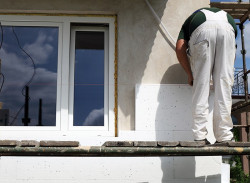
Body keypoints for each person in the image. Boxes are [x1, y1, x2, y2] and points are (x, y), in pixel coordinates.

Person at [175, 7, 237, 143]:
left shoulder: (190, 21)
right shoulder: (226, 18)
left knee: (201, 87)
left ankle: (199, 136)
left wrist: (190, 74)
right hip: (229, 26)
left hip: (201, 28)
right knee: (224, 87)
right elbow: (232, 52)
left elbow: (180, 47)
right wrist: (223, 74)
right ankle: (225, 136)